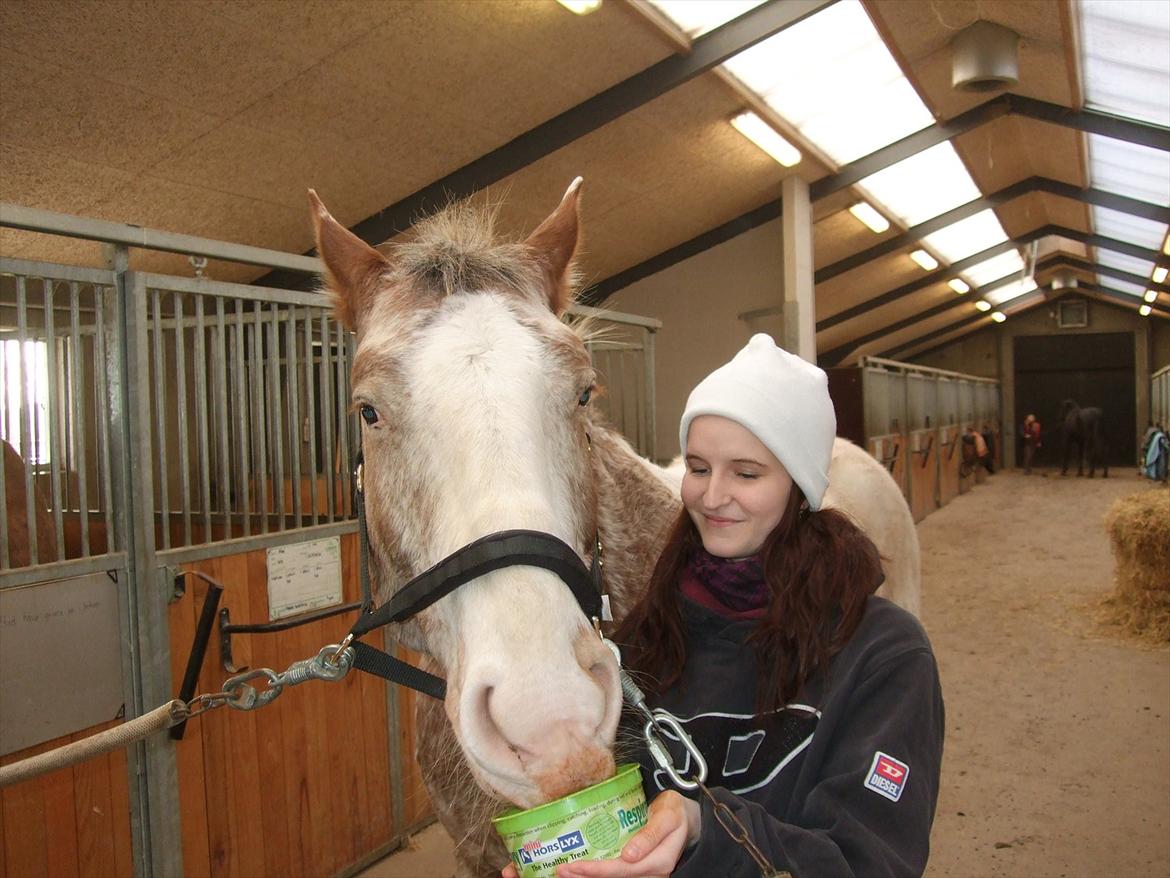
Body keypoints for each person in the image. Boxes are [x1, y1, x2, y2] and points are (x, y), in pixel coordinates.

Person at [521, 334, 944, 878]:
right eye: (698, 468)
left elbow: (867, 864)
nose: (713, 496)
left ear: (800, 486)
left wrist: (704, 831)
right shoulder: (639, 645)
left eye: (746, 473)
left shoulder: (883, 656)